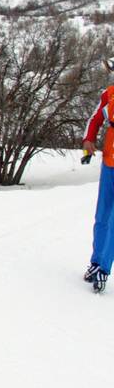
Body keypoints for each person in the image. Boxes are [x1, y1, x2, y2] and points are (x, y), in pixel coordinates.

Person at [82, 56, 114, 293]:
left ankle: (104, 267)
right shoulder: (110, 94)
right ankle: (95, 262)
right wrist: (88, 141)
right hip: (109, 163)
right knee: (102, 215)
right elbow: (95, 119)